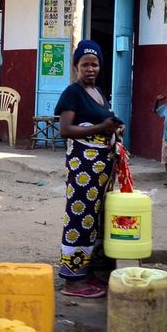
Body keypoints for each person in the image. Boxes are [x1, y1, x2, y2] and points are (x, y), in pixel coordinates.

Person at [55, 39, 123, 298]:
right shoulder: (73, 93)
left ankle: (86, 271)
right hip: (84, 167)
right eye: (85, 64)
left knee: (94, 221)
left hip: (101, 168)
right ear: (76, 67)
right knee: (79, 218)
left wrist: (115, 128)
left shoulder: (99, 93)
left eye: (94, 64)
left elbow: (102, 120)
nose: (90, 69)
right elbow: (66, 130)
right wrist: (101, 129)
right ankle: (72, 281)